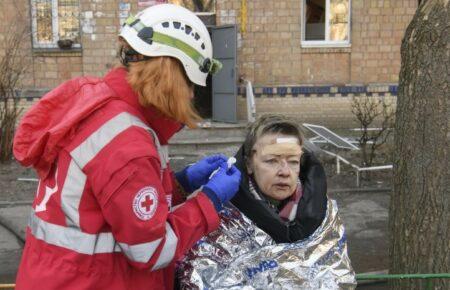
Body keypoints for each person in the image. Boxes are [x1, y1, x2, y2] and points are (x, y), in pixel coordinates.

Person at [13, 4, 240, 290]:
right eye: (190, 83)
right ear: (170, 75)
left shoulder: (106, 110)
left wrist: (179, 183)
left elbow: (111, 201)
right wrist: (208, 201)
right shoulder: (127, 141)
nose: (192, 94)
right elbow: (152, 250)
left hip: (59, 276)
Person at [231, 114, 328, 243]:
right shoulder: (229, 212)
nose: (285, 172)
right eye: (272, 161)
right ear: (249, 164)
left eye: (293, 161)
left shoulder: (321, 210)